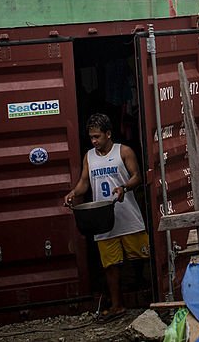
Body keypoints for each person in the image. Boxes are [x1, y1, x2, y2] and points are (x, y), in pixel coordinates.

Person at [65, 113, 149, 322]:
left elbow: (137, 176)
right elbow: (85, 181)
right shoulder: (89, 156)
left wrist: (123, 188)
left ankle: (148, 296)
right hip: (102, 220)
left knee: (141, 256)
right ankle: (117, 305)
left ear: (108, 134)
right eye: (91, 137)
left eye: (97, 137)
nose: (93, 141)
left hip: (128, 216)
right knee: (110, 265)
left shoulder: (124, 151)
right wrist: (74, 193)